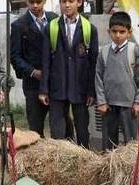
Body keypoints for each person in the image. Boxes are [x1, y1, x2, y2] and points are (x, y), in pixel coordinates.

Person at [39, 0, 99, 148]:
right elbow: (46, 61)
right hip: (57, 87)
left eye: (71, 1)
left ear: (79, 3)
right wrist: (43, 89)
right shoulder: (51, 28)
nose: (67, 5)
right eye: (63, 1)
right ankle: (59, 163)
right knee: (57, 132)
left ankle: (84, 162)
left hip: (80, 87)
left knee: (82, 130)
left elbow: (93, 63)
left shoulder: (89, 29)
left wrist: (92, 91)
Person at [95, 11, 139, 151]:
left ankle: (130, 170)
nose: (118, 35)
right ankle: (109, 168)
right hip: (109, 105)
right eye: (114, 31)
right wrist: (102, 101)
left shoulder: (134, 50)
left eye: (122, 32)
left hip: (129, 106)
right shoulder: (104, 52)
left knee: (131, 142)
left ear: (129, 32)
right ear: (108, 31)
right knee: (109, 143)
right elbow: (98, 77)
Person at [10, 0, 59, 137]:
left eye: (39, 2)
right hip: (33, 85)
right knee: (36, 128)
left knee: (61, 125)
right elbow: (15, 57)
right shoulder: (19, 25)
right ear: (27, 2)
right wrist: (33, 72)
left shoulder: (54, 19)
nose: (35, 6)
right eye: (32, 2)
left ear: (44, 1)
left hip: (55, 83)